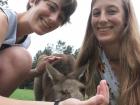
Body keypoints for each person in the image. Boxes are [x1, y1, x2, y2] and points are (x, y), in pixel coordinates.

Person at [0, 0, 109, 105]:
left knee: (20, 58)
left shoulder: (23, 41)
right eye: (51, 7)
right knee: (21, 57)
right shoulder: (2, 20)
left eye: (60, 17)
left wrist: (37, 71)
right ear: (33, 1)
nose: (53, 19)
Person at [75, 0, 140, 105]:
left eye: (111, 11)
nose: (102, 19)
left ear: (127, 18)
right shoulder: (90, 61)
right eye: (96, 13)